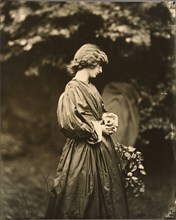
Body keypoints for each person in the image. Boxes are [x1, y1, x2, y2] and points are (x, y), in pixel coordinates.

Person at [45, 44, 129, 219]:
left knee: (108, 196)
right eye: (98, 65)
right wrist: (98, 128)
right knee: (80, 198)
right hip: (82, 153)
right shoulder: (72, 89)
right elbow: (69, 123)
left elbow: (98, 112)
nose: (100, 70)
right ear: (89, 62)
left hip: (102, 151)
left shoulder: (91, 87)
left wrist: (107, 118)